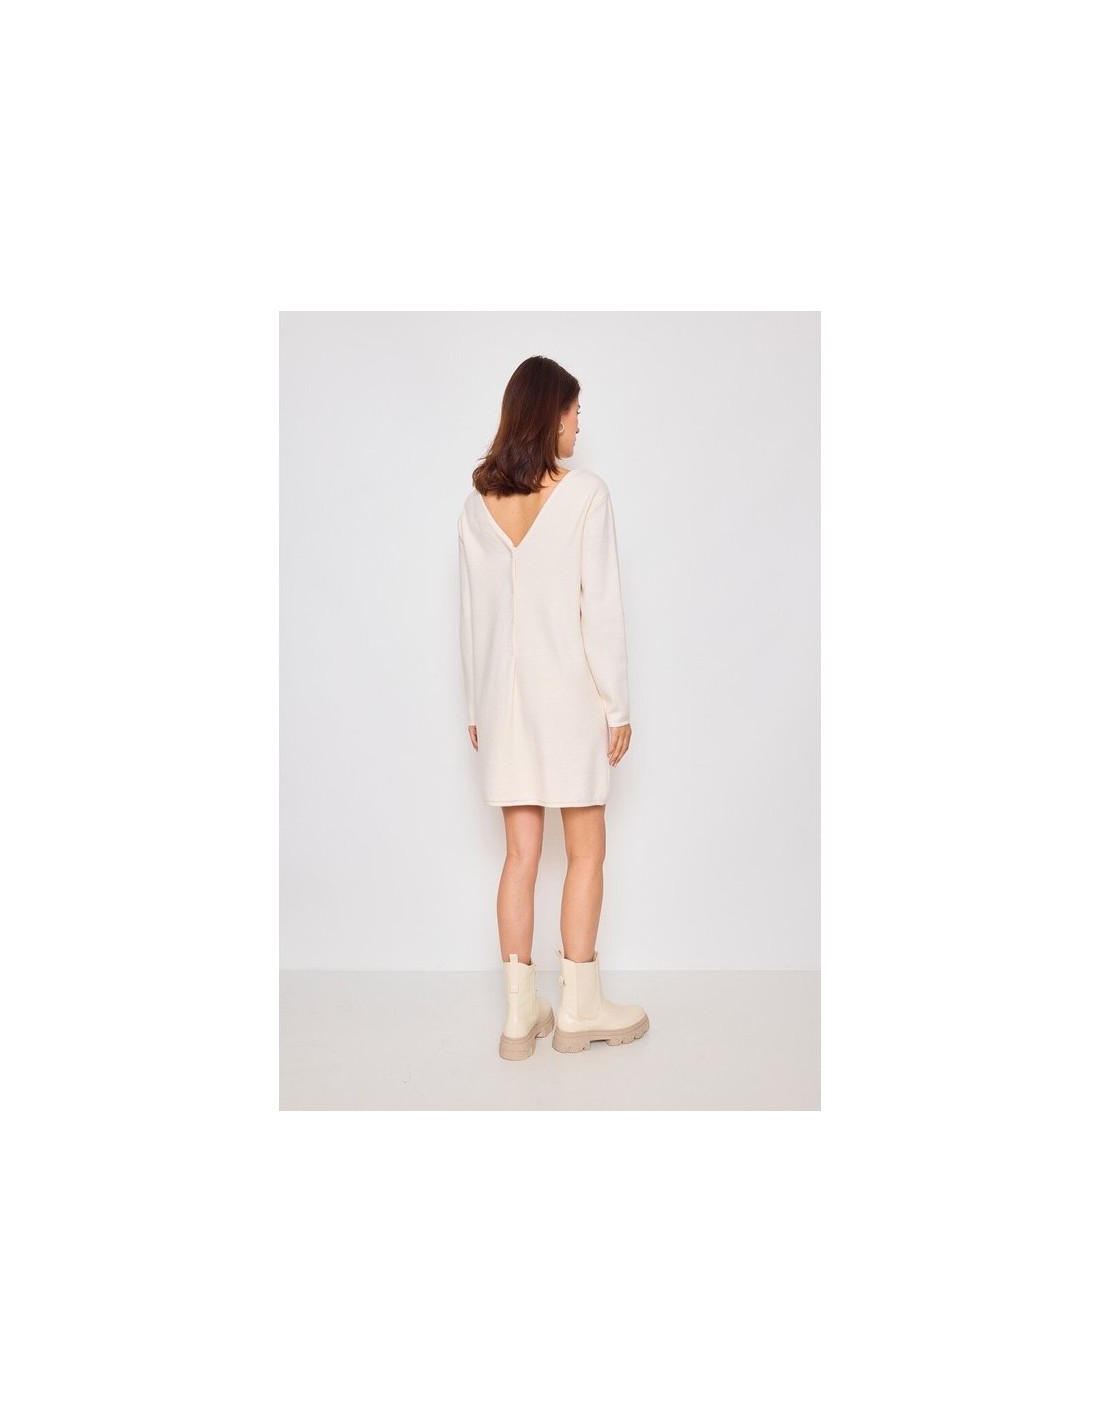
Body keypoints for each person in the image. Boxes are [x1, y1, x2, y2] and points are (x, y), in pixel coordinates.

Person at [457, 355, 650, 1060]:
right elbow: (601, 608)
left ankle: (519, 1018)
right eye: (573, 411)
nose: (578, 426)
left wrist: (476, 705)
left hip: (502, 705)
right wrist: (617, 704)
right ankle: (578, 1007)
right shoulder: (586, 494)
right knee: (587, 850)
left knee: (520, 856)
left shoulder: (476, 507)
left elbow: (473, 617)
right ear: (550, 414)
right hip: (569, 698)